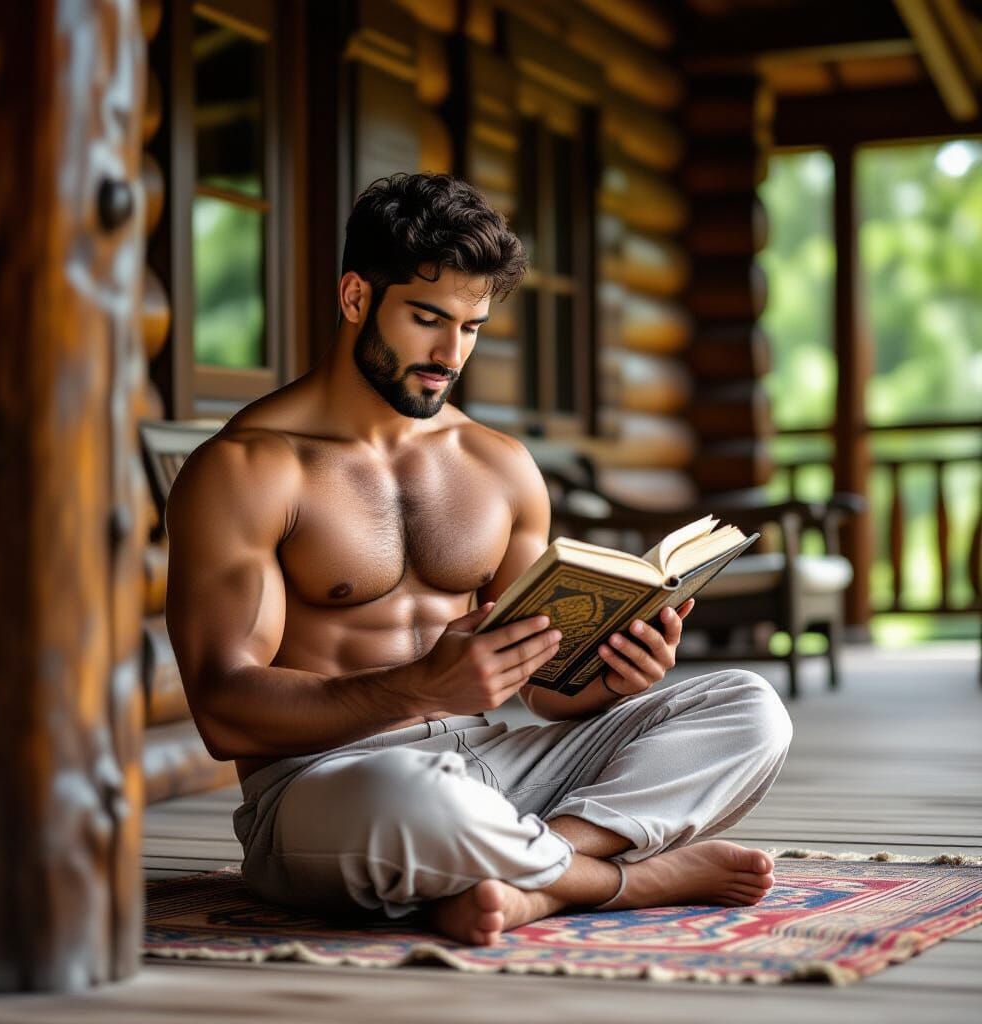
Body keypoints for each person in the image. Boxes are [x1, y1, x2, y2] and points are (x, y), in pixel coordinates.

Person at [165, 172, 793, 946]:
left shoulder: (498, 466)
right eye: (427, 319)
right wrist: (418, 686)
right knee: (414, 797)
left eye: (470, 326)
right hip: (334, 786)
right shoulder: (249, 469)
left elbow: (543, 694)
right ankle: (616, 879)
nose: (448, 352)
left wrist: (608, 679)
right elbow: (224, 712)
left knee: (747, 707)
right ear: (356, 297)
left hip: (494, 768)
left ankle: (530, 881)